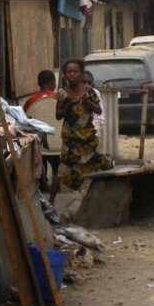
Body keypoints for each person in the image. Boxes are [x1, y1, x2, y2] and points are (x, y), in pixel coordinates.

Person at [52, 59, 112, 200]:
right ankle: (50, 203)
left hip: (87, 138)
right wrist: (67, 104)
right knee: (63, 169)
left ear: (81, 73)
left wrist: (88, 103)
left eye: (75, 71)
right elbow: (58, 116)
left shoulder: (90, 91)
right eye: (68, 72)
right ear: (64, 74)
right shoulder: (62, 93)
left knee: (100, 165)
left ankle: (96, 198)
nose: (72, 74)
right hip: (70, 139)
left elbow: (98, 110)